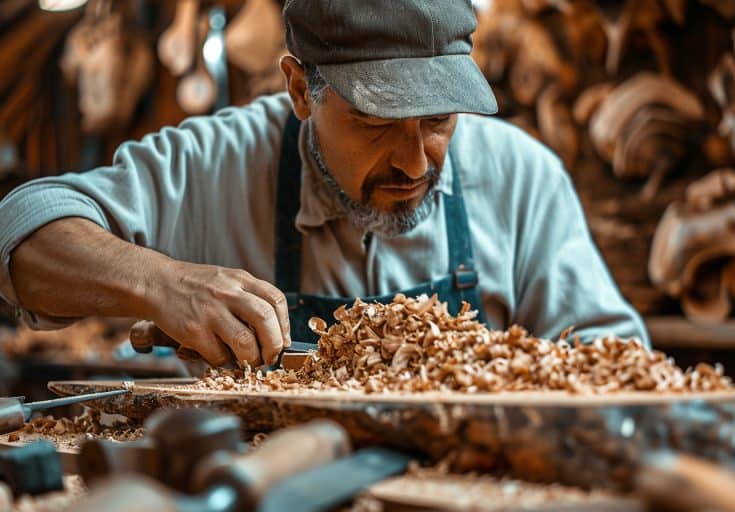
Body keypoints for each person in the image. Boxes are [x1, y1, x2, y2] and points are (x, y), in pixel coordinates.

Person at [0, 0, 647, 368]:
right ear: (300, 89)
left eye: (438, 120)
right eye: (374, 121)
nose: (416, 164)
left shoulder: (521, 178)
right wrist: (158, 282)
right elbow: (20, 231)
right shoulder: (218, 161)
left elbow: (619, 364)